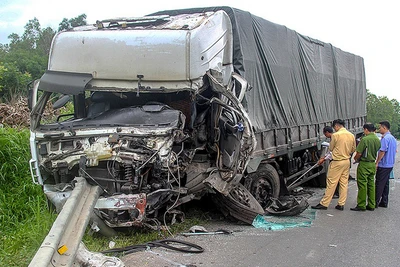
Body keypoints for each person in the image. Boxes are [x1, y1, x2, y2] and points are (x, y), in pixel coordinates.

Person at [312, 119, 356, 210]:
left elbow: (331, 149)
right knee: (343, 183)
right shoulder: (351, 135)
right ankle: (341, 204)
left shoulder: (336, 135)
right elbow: (353, 150)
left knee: (331, 183)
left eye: (334, 127)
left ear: (336, 126)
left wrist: (323, 158)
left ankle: (324, 204)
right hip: (346, 161)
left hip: (337, 162)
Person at [350, 123, 381, 211]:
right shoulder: (377, 139)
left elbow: (359, 152)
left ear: (366, 129)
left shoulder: (365, 139)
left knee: (362, 184)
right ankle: (372, 204)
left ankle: (361, 204)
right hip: (372, 163)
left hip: (364, 164)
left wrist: (356, 159)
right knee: (371, 184)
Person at [375, 120, 397, 208]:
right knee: (385, 184)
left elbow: (382, 151)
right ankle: (384, 201)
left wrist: (377, 162)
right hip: (390, 164)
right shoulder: (392, 138)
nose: (379, 129)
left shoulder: (385, 138)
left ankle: (375, 202)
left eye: (380, 127)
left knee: (379, 183)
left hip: (384, 164)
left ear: (384, 127)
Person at [322, 126, 340, 199]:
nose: (325, 136)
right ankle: (335, 192)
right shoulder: (336, 137)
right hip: (340, 160)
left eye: (325, 134)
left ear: (327, 132)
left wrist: (324, 159)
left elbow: (332, 152)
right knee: (337, 178)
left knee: (332, 178)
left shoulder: (334, 138)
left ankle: (334, 193)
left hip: (335, 161)